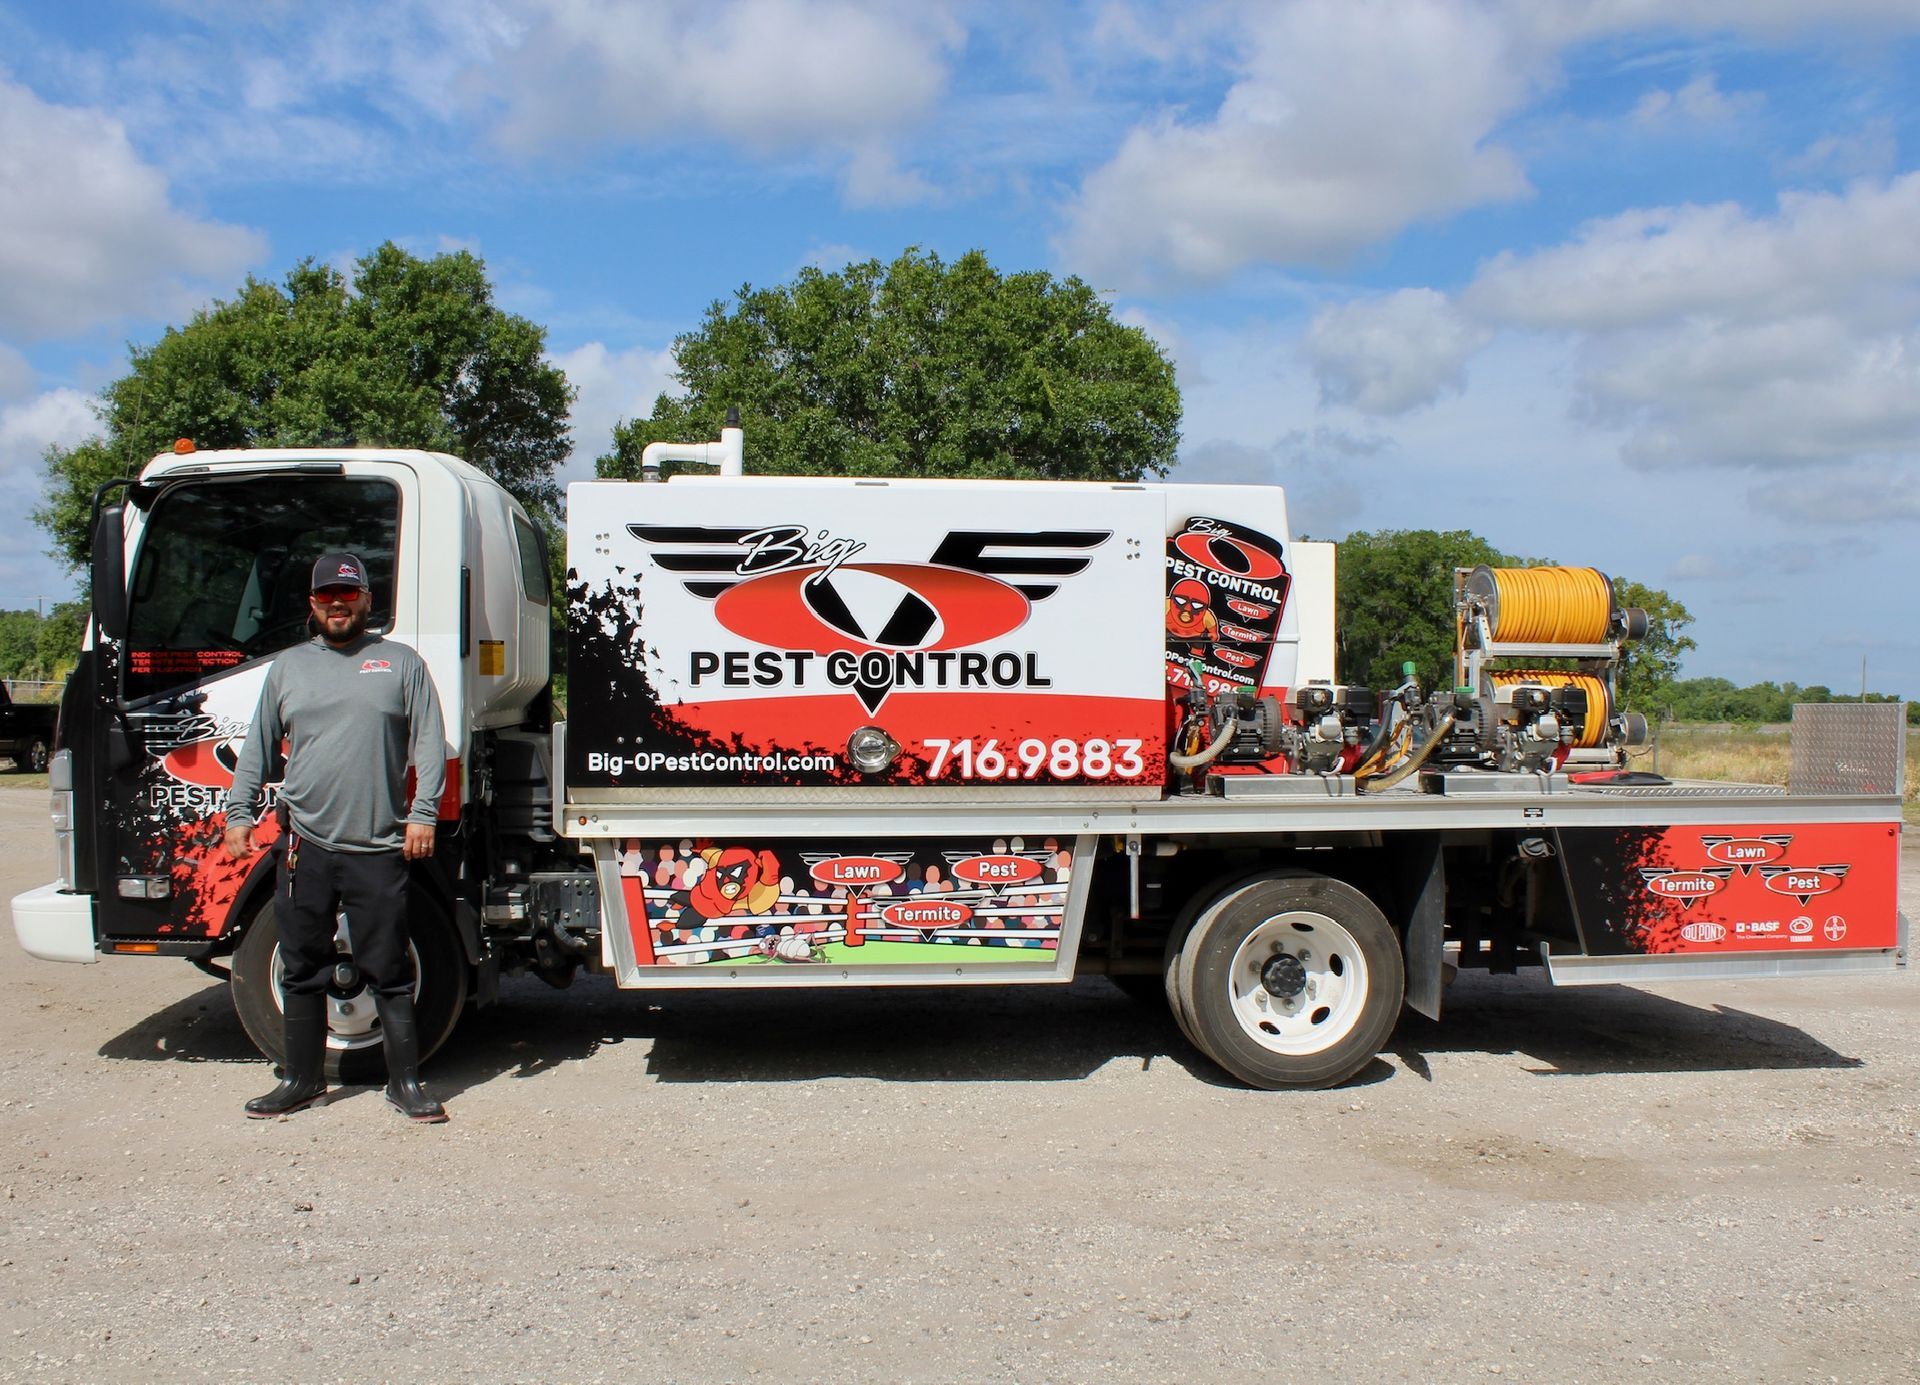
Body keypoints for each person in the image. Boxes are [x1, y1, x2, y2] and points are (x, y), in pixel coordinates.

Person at [222, 550, 451, 1123]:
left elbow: (429, 739)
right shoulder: (289, 668)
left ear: (367, 601)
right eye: (327, 596)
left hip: (378, 845)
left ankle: (404, 1084)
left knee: (389, 968)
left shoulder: (399, 663)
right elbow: (257, 746)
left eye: (348, 595)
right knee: (301, 965)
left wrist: (423, 814)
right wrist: (238, 813)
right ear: (313, 604)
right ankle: (300, 1080)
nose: (337, 604)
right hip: (305, 844)